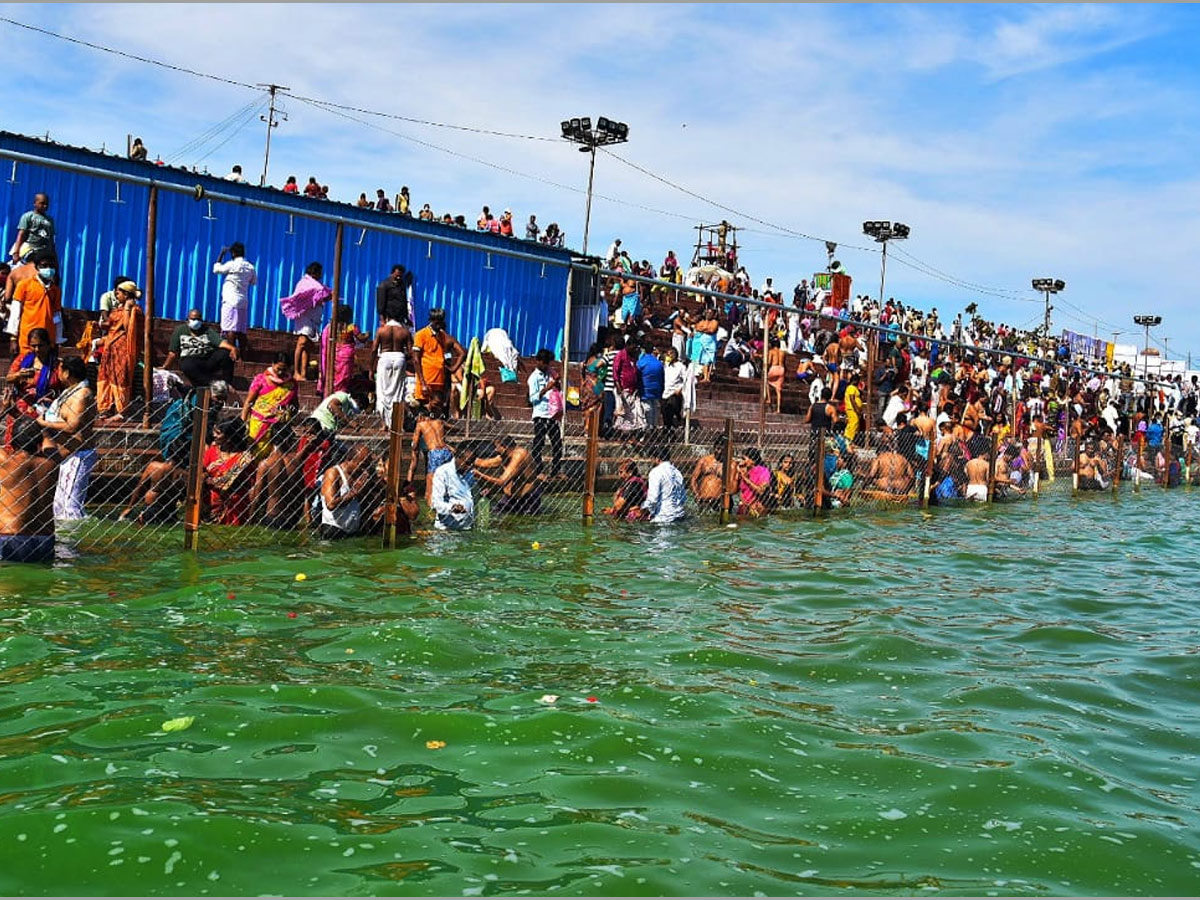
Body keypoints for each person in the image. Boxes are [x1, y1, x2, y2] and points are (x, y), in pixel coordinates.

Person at [36, 357, 96, 521]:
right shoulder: (70, 391)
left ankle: (72, 543)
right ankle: (64, 540)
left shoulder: (82, 394)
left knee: (70, 506)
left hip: (78, 454)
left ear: (67, 373)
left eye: (60, 370)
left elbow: (72, 426)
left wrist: (44, 422)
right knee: (59, 505)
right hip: (66, 453)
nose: (57, 373)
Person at [0, 417, 59, 562]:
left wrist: (4, 411)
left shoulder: (5, 463)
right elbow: (51, 446)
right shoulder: (51, 464)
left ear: (12, 442)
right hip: (44, 540)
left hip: (10, 538)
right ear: (39, 442)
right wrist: (41, 427)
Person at [95, 280, 144, 423]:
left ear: (127, 294)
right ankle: (105, 408)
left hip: (123, 350)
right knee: (106, 377)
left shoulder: (136, 310)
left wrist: (128, 308)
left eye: (119, 292)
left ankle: (121, 411)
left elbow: (129, 328)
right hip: (110, 348)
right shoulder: (116, 310)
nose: (116, 294)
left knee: (121, 378)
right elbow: (110, 326)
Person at [4, 327, 59, 447]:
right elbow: (9, 378)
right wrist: (19, 375)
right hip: (20, 410)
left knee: (39, 447)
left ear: (49, 345)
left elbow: (61, 386)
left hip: (42, 412)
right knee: (16, 445)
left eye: (40, 345)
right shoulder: (23, 359)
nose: (37, 349)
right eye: (33, 346)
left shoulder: (55, 364)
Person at [279, 262, 331, 381]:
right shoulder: (305, 283)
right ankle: (296, 371)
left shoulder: (317, 285)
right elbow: (303, 297)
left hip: (314, 317)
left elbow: (320, 296)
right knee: (302, 342)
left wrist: (329, 295)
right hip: (305, 317)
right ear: (315, 272)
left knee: (307, 345)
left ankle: (303, 373)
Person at [161, 309, 237, 387]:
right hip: (191, 360)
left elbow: (220, 343)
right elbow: (172, 353)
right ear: (187, 320)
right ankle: (213, 384)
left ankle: (228, 383)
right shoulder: (180, 331)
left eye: (198, 319)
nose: (196, 321)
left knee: (225, 353)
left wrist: (232, 348)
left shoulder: (207, 330)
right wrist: (165, 367)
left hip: (206, 360)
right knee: (186, 364)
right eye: (193, 319)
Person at [240, 354, 298, 458]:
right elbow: (248, 402)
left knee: (275, 458)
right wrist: (242, 422)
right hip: (258, 424)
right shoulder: (261, 379)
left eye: (284, 370)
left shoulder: (292, 384)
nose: (280, 372)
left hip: (279, 427)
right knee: (255, 454)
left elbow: (295, 405)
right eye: (278, 369)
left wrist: (288, 415)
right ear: (272, 364)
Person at [202, 416, 255, 525]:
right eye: (215, 431)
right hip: (210, 507)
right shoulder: (212, 451)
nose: (214, 435)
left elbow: (228, 482)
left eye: (218, 433)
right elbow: (201, 474)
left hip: (234, 509)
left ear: (230, 437)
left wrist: (209, 479)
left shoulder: (244, 458)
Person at [411, 308, 465, 410]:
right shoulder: (421, 335)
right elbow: (416, 359)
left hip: (439, 381)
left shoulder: (443, 336)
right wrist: (423, 382)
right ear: (431, 321)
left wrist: (453, 368)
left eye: (441, 322)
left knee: (436, 408)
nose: (439, 325)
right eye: (436, 323)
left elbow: (462, 353)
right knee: (422, 409)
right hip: (425, 380)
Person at [318, 442, 374, 539]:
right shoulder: (333, 473)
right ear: (350, 459)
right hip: (333, 530)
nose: (365, 469)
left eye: (367, 466)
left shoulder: (360, 475)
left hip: (352, 531)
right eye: (363, 465)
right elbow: (331, 504)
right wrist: (354, 492)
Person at [473, 435, 541, 514]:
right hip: (510, 498)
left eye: (496, 447)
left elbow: (502, 481)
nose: (495, 450)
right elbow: (484, 463)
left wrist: (479, 475)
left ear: (504, 447)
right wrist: (461, 455)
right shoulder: (505, 455)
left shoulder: (519, 455)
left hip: (527, 499)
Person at [212, 242, 256, 354]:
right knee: (241, 329)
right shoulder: (250, 267)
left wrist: (221, 254)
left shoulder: (232, 264)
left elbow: (216, 270)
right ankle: (243, 355)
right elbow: (253, 282)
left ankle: (232, 353)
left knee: (229, 328)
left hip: (230, 300)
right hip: (243, 301)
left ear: (233, 253)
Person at [13, 252, 61, 353]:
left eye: (51, 266)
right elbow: (15, 313)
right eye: (44, 265)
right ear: (37, 267)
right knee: (24, 366)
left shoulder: (55, 290)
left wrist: (57, 339)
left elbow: (57, 316)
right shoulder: (24, 285)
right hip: (28, 339)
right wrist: (13, 338)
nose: (48, 268)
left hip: (48, 340)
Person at [528, 348, 563, 478]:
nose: (547, 365)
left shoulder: (550, 373)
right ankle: (538, 470)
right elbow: (532, 398)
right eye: (545, 362)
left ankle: (556, 470)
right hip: (540, 414)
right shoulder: (534, 378)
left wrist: (556, 384)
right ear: (538, 361)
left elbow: (557, 390)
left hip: (552, 414)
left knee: (557, 443)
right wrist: (546, 388)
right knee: (539, 443)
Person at [408, 397, 450, 502]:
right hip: (446, 451)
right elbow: (450, 427)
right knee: (445, 477)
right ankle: (445, 498)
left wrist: (413, 446)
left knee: (430, 477)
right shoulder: (439, 421)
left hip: (435, 452)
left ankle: (430, 501)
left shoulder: (420, 424)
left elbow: (415, 442)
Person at [319, 305, 367, 395]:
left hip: (336, 353)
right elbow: (361, 338)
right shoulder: (351, 327)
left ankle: (333, 390)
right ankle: (341, 391)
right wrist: (368, 335)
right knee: (344, 375)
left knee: (336, 374)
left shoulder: (332, 327)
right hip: (346, 354)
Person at [430, 442, 476, 531]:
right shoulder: (443, 473)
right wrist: (452, 508)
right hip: (447, 530)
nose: (469, 466)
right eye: (467, 463)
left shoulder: (469, 474)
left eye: (472, 463)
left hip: (466, 528)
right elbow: (436, 503)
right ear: (457, 457)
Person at [371, 315, 411, 417]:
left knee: (382, 392)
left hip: (384, 358)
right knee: (398, 392)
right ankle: (395, 422)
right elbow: (411, 352)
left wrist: (371, 369)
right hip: (399, 357)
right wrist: (404, 358)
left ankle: (384, 423)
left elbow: (374, 350)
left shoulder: (381, 330)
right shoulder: (404, 331)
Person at [641, 443, 688, 524]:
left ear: (656, 459)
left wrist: (642, 508)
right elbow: (683, 498)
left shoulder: (655, 472)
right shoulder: (677, 472)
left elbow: (653, 499)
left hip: (663, 517)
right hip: (679, 515)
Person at [9, 193, 55, 262]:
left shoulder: (49, 220)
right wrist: (16, 252)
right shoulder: (28, 216)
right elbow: (21, 234)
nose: (45, 206)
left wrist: (53, 254)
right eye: (42, 203)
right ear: (35, 203)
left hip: (44, 251)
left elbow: (51, 238)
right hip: (30, 249)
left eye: (46, 204)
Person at [690, 440, 726, 511]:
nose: (719, 452)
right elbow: (693, 479)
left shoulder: (728, 464)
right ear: (714, 448)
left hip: (719, 501)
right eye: (718, 449)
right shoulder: (704, 461)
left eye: (722, 449)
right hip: (704, 499)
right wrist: (697, 495)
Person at [637, 344, 665, 431]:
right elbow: (662, 378)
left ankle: (647, 430)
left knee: (647, 410)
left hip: (645, 390)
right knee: (655, 409)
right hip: (656, 390)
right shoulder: (658, 363)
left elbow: (637, 375)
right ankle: (653, 428)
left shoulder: (641, 362)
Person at [661, 347, 686, 432]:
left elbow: (686, 380)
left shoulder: (681, 366)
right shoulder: (665, 365)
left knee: (670, 411)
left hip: (674, 393)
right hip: (665, 392)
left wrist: (680, 388)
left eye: (670, 354)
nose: (669, 356)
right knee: (664, 413)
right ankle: (668, 432)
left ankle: (670, 430)